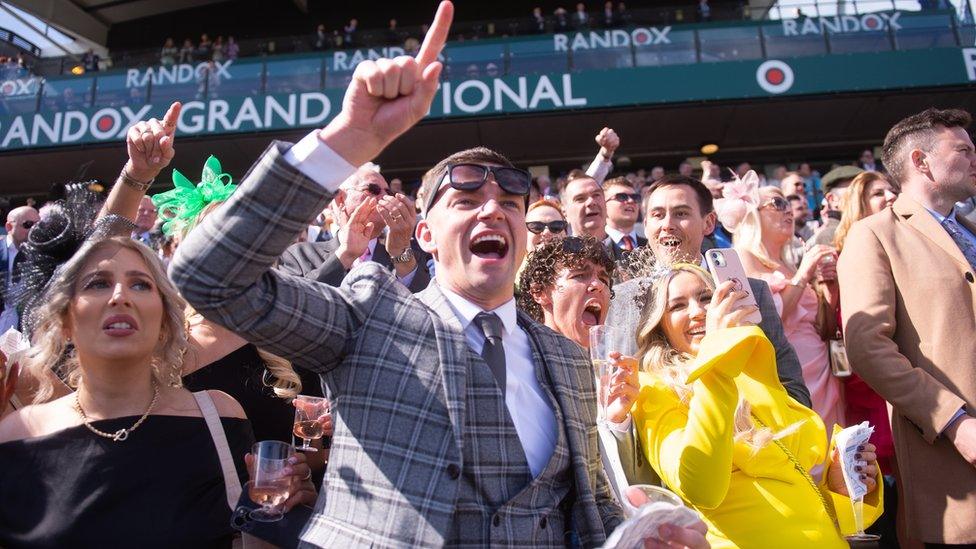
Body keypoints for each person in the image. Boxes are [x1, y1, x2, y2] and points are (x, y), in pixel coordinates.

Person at [170, 4, 699, 546]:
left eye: (510, 203)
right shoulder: (367, 313)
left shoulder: (565, 356)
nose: (492, 211)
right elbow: (211, 277)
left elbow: (584, 503)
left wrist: (640, 535)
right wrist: (347, 139)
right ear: (424, 236)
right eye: (466, 199)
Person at [0, 234, 312, 546]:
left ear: (164, 319)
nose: (120, 296)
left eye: (140, 284)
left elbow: (251, 540)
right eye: (98, 283)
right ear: (65, 319)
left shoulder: (219, 418)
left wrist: (284, 506)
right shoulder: (17, 438)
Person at [621, 263, 882, 547]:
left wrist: (841, 489)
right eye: (678, 306)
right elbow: (701, 488)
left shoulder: (752, 372)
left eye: (706, 298)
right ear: (660, 326)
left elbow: (794, 496)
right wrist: (716, 365)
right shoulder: (655, 388)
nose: (698, 311)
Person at [839, 107, 976, 547]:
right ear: (921, 161)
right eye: (963, 149)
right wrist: (954, 421)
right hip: (953, 464)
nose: (975, 157)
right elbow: (868, 347)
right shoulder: (874, 235)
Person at [719, 179, 844, 431]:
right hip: (790, 369)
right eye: (778, 202)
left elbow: (819, 324)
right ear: (753, 214)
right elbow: (769, 320)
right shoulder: (744, 256)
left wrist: (829, 288)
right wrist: (803, 275)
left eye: (788, 203)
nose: (788, 209)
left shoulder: (788, 263)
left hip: (821, 367)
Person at [277, 163, 430, 292]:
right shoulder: (299, 255)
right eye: (373, 190)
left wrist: (401, 254)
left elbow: (425, 309)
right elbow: (294, 303)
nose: (385, 197)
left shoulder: (408, 257)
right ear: (340, 199)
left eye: (388, 192)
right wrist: (345, 256)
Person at [0, 205, 39, 333]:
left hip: (26, 334)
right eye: (28, 224)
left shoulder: (43, 256)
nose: (34, 229)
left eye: (38, 225)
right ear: (9, 227)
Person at [808, 166, 862, 247]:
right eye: (854, 190)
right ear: (832, 199)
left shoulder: (862, 226)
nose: (862, 195)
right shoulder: (830, 236)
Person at [603, 176, 645, 259]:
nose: (631, 201)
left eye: (635, 198)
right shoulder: (595, 248)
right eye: (621, 197)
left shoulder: (652, 247)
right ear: (603, 205)